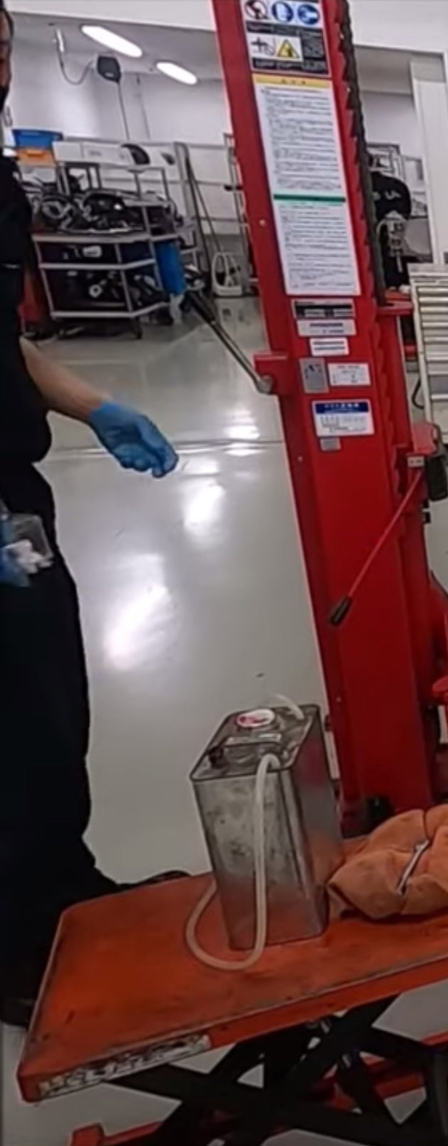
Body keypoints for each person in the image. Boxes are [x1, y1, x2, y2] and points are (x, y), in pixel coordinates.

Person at [1, 0, 181, 1027]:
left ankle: (62, 896)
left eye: (1, 47)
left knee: (47, 709)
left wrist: (92, 404)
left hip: (12, 494)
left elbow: (1, 340)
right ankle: (14, 952)